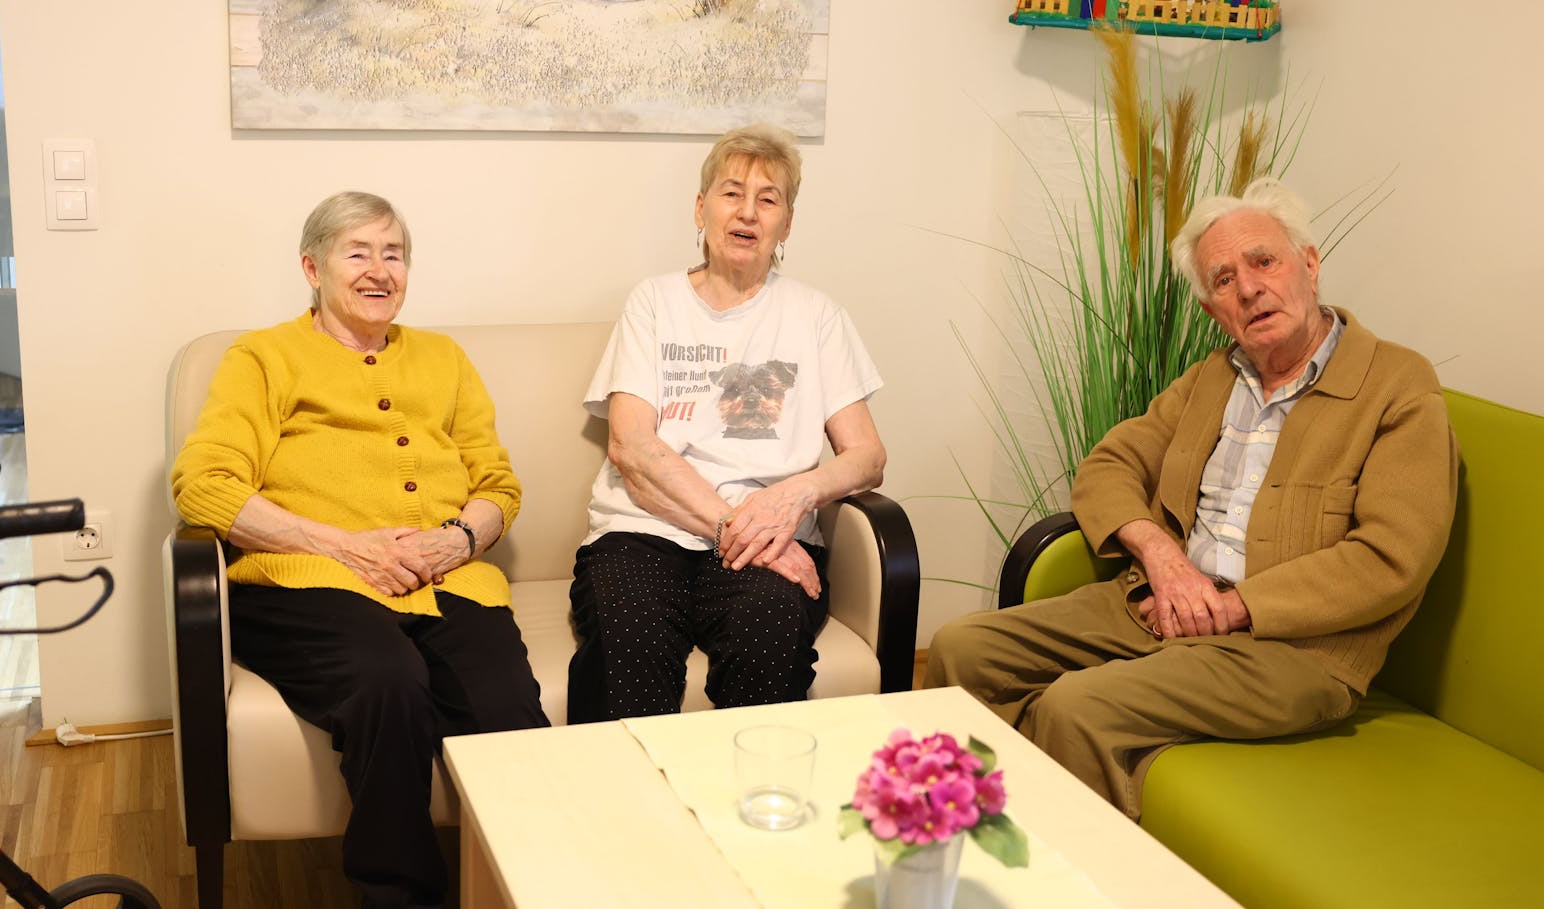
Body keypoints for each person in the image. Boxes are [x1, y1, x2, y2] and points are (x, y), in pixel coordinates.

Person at [924, 177, 1458, 820]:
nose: (1250, 288)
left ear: (1309, 265)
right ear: (1213, 309)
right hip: (1157, 604)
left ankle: (1076, 879)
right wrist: (1162, 559)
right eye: (1223, 279)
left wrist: (1232, 609)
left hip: (1294, 652)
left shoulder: (1397, 385)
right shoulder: (1214, 375)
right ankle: (965, 837)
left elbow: (1390, 557)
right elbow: (1110, 463)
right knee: (962, 648)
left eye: (1264, 261)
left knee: (1077, 707)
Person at [170, 191, 548, 908]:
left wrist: (457, 538)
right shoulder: (263, 356)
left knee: (507, 708)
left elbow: (498, 484)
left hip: (449, 580)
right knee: (388, 682)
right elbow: (204, 484)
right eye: (359, 252)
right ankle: (398, 894)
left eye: (394, 253)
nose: (380, 270)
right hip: (306, 583)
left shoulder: (444, 358)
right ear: (313, 267)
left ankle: (525, 885)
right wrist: (345, 547)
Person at [566, 124, 888, 723]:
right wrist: (734, 525)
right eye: (731, 192)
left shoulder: (816, 316)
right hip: (645, 532)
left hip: (770, 545)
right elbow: (631, 446)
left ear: (787, 224)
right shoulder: (654, 302)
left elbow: (867, 456)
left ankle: (748, 805)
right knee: (628, 647)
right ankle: (622, 810)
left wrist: (796, 493)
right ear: (701, 208)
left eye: (768, 199)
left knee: (768, 638)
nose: (748, 212)